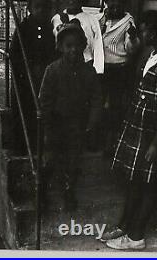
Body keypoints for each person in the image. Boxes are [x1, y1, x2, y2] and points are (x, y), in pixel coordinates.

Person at [100, 10, 157, 250]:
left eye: (146, 30)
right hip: (136, 128)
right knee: (133, 182)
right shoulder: (148, 55)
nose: (142, 33)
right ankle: (125, 225)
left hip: (152, 135)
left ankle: (136, 236)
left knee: (148, 185)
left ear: (156, 34)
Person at [39, 20, 102, 211]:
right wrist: (47, 124)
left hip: (78, 125)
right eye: (68, 46)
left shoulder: (88, 72)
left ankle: (68, 192)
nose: (73, 50)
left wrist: (91, 123)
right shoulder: (52, 70)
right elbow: (45, 99)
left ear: (83, 47)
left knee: (73, 161)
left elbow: (97, 99)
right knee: (49, 159)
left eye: (77, 46)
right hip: (56, 123)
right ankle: (41, 193)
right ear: (60, 47)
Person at [9, 0, 56, 154]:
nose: (41, 10)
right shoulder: (23, 28)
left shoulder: (51, 30)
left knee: (42, 113)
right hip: (25, 80)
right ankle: (21, 148)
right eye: (37, 7)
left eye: (45, 7)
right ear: (30, 8)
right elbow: (13, 54)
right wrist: (25, 69)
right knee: (24, 112)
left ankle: (38, 147)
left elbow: (53, 53)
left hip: (43, 78)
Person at [98, 0, 140, 154]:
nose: (115, 4)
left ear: (125, 3)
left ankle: (111, 141)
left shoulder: (128, 21)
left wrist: (132, 38)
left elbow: (131, 50)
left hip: (119, 70)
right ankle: (97, 138)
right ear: (106, 1)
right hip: (102, 68)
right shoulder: (102, 17)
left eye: (119, 0)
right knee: (99, 104)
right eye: (111, 0)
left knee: (114, 106)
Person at [52, 0, 104, 74]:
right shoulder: (57, 19)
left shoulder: (91, 20)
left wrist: (98, 71)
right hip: (63, 69)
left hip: (85, 69)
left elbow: (97, 46)